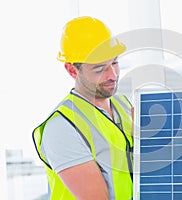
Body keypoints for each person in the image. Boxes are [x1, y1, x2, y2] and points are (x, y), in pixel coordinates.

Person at [32, 16, 134, 200]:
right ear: (72, 70)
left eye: (115, 62)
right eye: (99, 68)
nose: (113, 75)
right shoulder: (63, 127)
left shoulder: (125, 106)